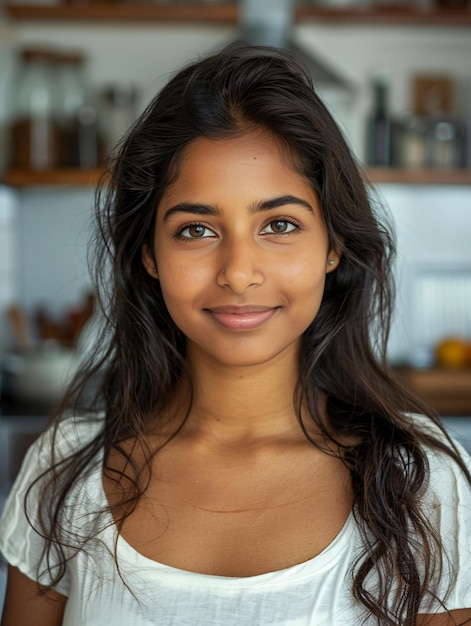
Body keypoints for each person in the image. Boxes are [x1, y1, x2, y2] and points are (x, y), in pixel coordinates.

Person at [0, 42, 470, 626]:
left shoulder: (419, 482)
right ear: (148, 253)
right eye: (196, 229)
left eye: (279, 224)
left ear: (333, 246)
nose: (239, 271)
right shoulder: (63, 471)